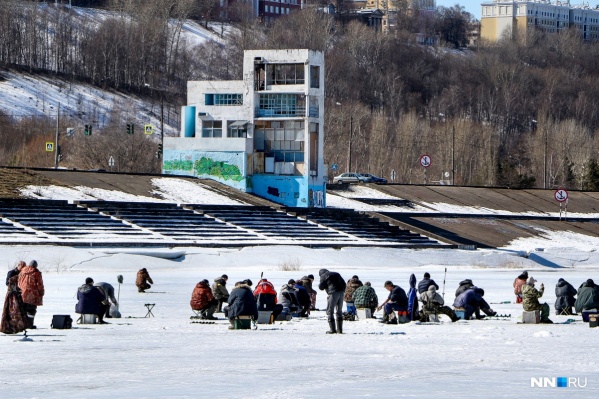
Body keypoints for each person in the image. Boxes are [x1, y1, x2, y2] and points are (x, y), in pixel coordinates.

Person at [1, 261, 27, 334]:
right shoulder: (11, 272)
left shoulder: (23, 273)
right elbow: (7, 283)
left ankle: (18, 327)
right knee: (12, 311)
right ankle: (9, 327)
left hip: (19, 295)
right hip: (11, 295)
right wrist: (16, 279)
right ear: (18, 266)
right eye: (22, 267)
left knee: (19, 311)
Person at [18, 260, 44, 329]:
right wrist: (41, 292)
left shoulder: (22, 271)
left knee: (23, 309)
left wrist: (21, 289)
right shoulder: (36, 273)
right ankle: (29, 324)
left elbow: (19, 282)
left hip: (23, 293)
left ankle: (23, 324)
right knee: (31, 310)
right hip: (33, 294)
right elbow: (39, 284)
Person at [318, 269, 346, 334]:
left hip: (333, 293)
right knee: (339, 311)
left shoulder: (323, 276)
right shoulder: (337, 274)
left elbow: (321, 287)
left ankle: (332, 330)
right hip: (341, 292)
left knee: (330, 311)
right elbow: (344, 284)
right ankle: (340, 330)